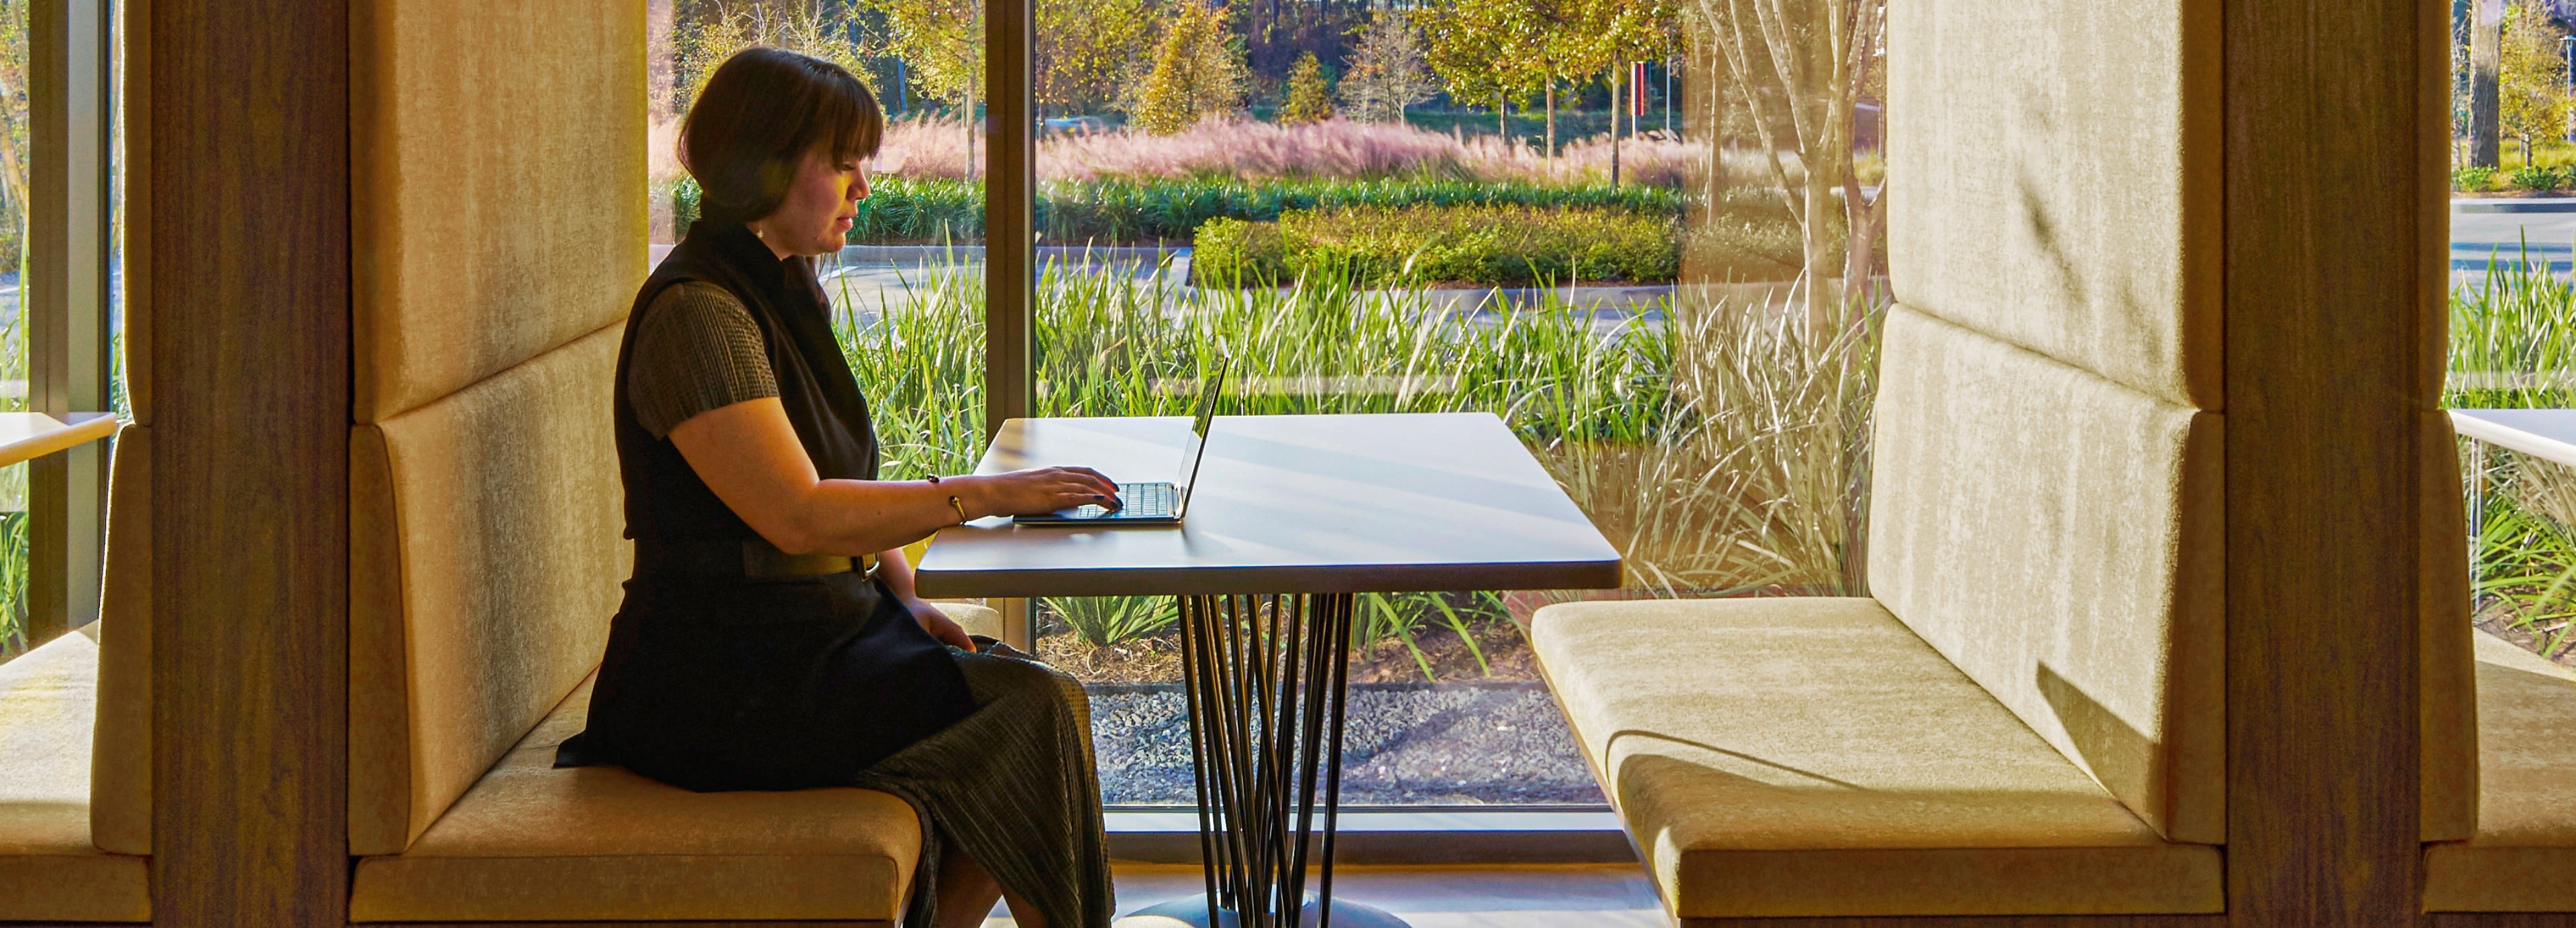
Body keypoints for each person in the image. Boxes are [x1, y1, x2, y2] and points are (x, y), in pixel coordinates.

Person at [561, 46, 1117, 928]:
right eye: (843, 162)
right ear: (765, 165)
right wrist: (979, 495)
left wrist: (908, 603)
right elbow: (797, 514)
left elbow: (834, 482)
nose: (863, 186)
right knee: (1032, 713)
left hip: (804, 642)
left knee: (1037, 703)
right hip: (719, 676)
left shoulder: (779, 289)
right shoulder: (699, 314)